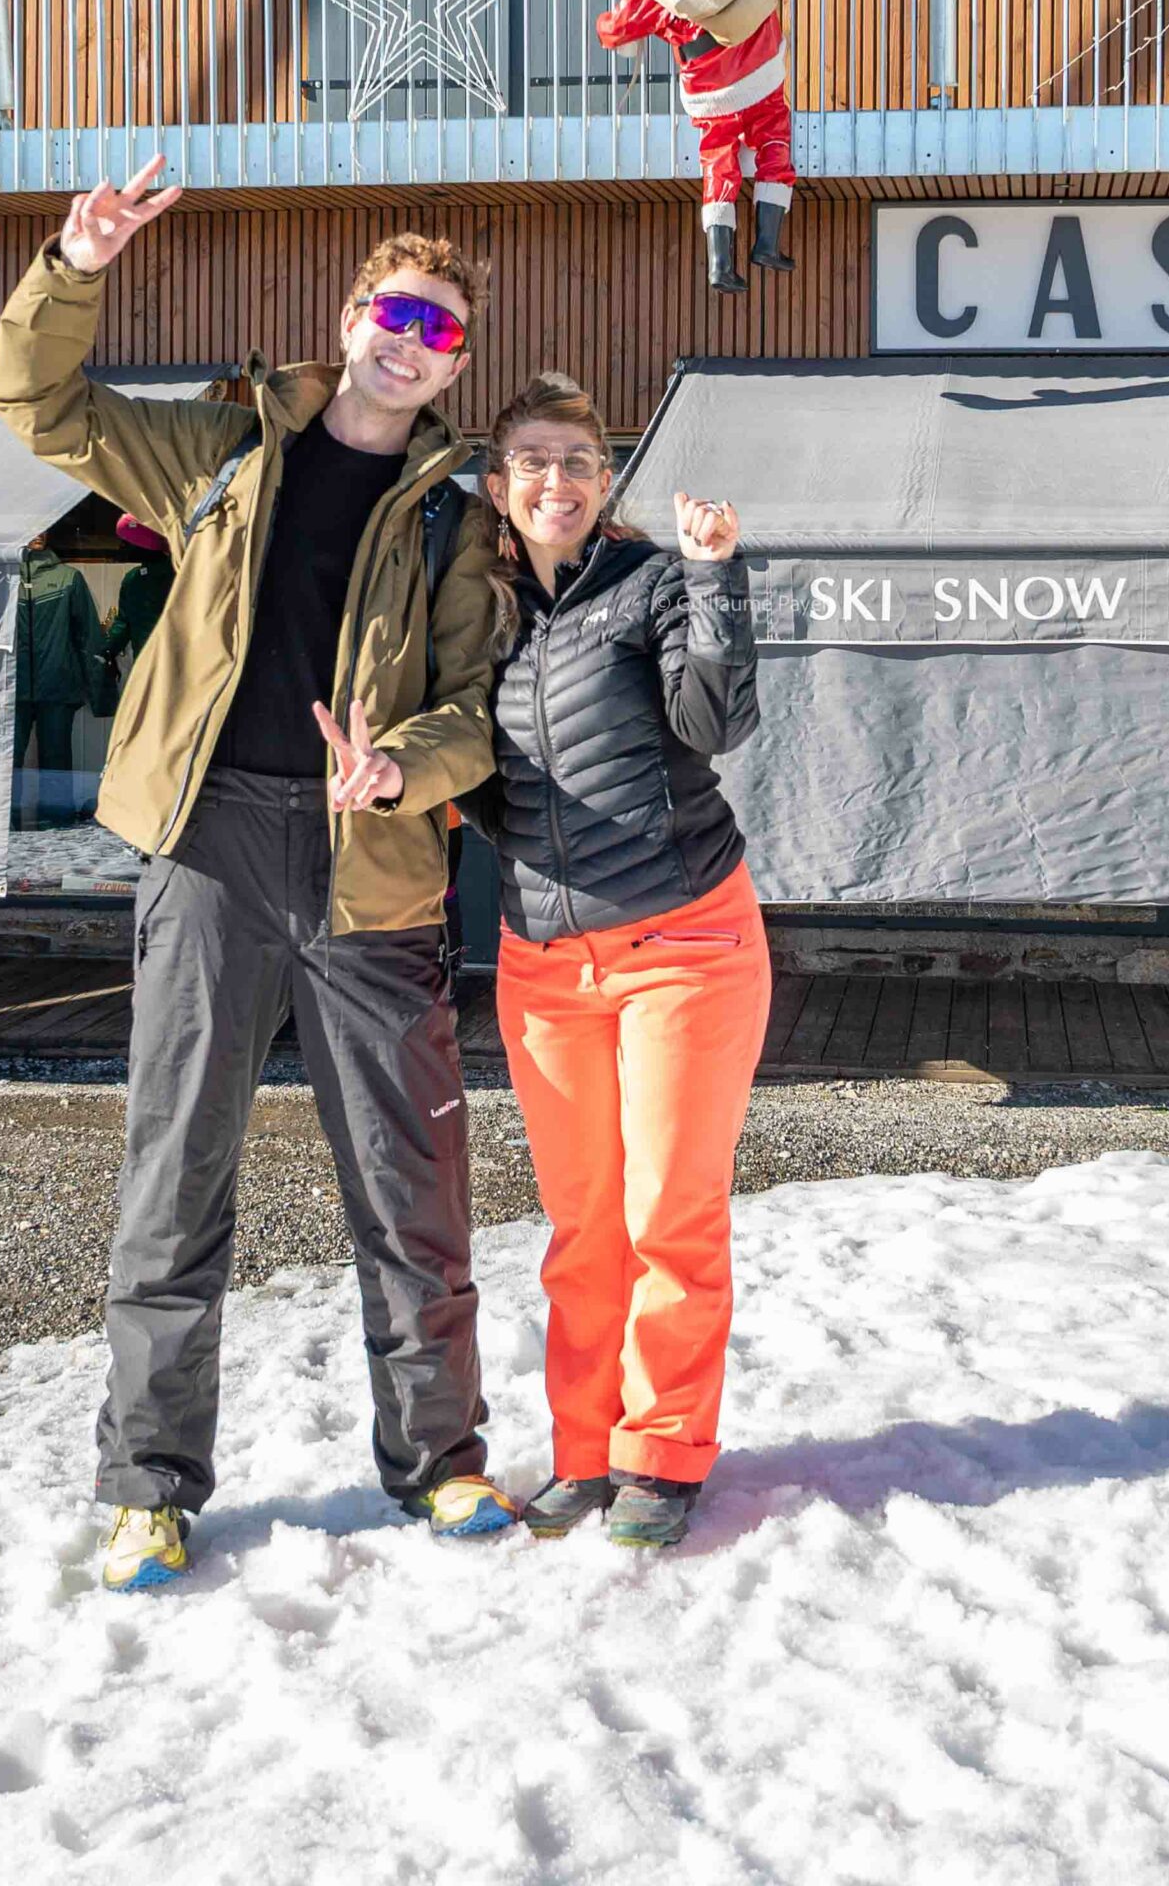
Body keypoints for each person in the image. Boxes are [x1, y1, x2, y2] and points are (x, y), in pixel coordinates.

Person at [0, 157, 512, 1593]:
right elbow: (38, 402)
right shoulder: (223, 449)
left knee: (410, 1187)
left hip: (374, 867)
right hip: (210, 844)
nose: (414, 341)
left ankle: (442, 1459)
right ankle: (148, 1486)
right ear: (351, 320)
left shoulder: (454, 519)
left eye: (443, 329)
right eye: (398, 312)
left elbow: (478, 709)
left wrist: (402, 766)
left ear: (454, 362)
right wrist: (75, 267)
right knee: (176, 1175)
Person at [464, 371, 769, 1550]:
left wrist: (715, 577)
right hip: (543, 962)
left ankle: (662, 1452)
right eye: (534, 460)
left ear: (605, 480)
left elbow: (715, 724)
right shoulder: (478, 612)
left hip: (682, 939)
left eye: (580, 461)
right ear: (499, 483)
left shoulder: (650, 583)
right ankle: (585, 1451)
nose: (558, 479)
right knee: (583, 1224)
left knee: (666, 1215)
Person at [596, 0, 809, 296]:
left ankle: (720, 265)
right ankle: (767, 244)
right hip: (759, 73)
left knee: (719, 162)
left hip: (709, 96)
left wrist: (616, 31)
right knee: (774, 143)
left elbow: (613, 28)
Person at [12, 533, 113, 827]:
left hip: (58, 684)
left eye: (45, 528)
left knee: (56, 760)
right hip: (11, 687)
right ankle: (3, 822)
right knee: (7, 760)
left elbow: (88, 636)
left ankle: (57, 822)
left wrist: (101, 696)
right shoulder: (4, 578)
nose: (39, 534)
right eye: (34, 527)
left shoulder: (68, 578)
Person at [103, 513, 175, 668]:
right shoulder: (133, 579)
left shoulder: (177, 575)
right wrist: (107, 651)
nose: (123, 546)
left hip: (174, 664)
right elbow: (124, 623)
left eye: (127, 541)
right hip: (145, 665)